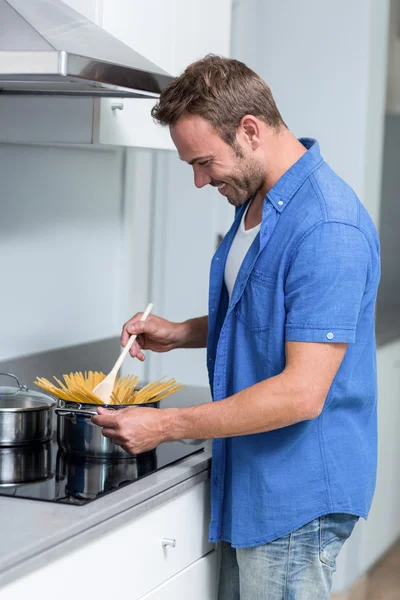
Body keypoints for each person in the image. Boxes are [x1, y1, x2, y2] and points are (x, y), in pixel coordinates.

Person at [92, 55, 380, 599]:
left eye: (203, 162)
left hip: (295, 491)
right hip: (252, 473)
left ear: (249, 129)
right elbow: (264, 316)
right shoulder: (259, 202)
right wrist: (179, 332)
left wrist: (164, 426)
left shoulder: (326, 226)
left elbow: (301, 393)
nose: (201, 181)